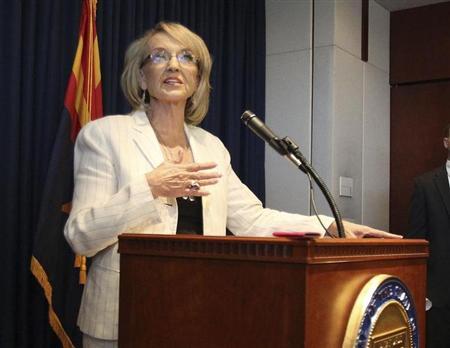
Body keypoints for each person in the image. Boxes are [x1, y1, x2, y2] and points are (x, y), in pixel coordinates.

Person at [64, 21, 401, 347]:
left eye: (186, 57)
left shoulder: (211, 147)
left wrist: (332, 227)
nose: (172, 65)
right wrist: (150, 187)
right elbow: (80, 236)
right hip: (124, 316)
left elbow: (252, 220)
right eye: (158, 56)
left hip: (197, 310)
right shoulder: (106, 135)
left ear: (197, 80)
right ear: (141, 75)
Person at [407, 123, 450, 347]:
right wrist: (422, 291)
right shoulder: (425, 185)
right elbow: (415, 242)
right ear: (446, 142)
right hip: (439, 297)